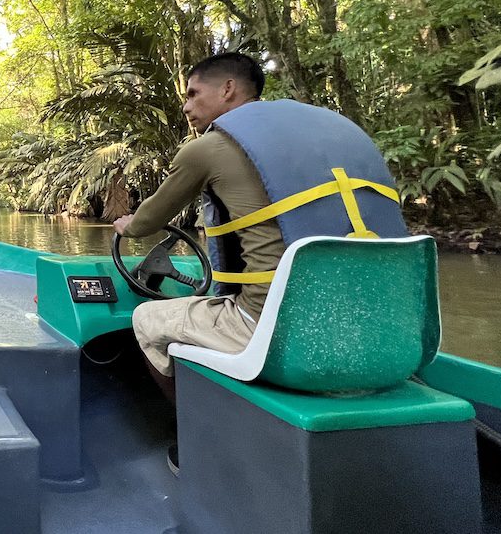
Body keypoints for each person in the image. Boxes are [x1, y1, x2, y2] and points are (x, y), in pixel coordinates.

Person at [114, 52, 406, 474]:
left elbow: (145, 223)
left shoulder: (208, 148)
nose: (186, 105)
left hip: (282, 329)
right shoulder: (336, 137)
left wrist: (127, 224)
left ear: (228, 89)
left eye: (194, 93)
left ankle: (202, 440)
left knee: (147, 318)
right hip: (381, 324)